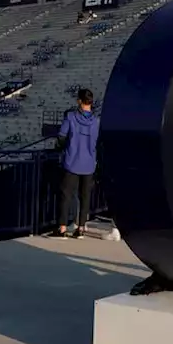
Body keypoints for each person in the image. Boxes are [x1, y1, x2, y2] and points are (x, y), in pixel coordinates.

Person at [51, 88, 99, 239]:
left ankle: (63, 228)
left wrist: (62, 147)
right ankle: (81, 227)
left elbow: (61, 137)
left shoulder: (71, 117)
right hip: (89, 163)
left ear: (79, 101)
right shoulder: (96, 121)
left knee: (66, 195)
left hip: (71, 161)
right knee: (85, 196)